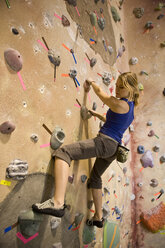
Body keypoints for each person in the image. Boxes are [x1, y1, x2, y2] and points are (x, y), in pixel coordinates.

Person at [32, 72, 139, 228]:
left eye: (121, 87)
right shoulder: (130, 109)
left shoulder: (120, 103)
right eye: (116, 85)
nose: (117, 89)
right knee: (95, 179)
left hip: (105, 143)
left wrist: (92, 82)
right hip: (114, 149)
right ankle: (98, 217)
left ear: (130, 89)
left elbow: (101, 94)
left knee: (64, 153)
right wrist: (98, 115)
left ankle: (57, 203)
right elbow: (116, 122)